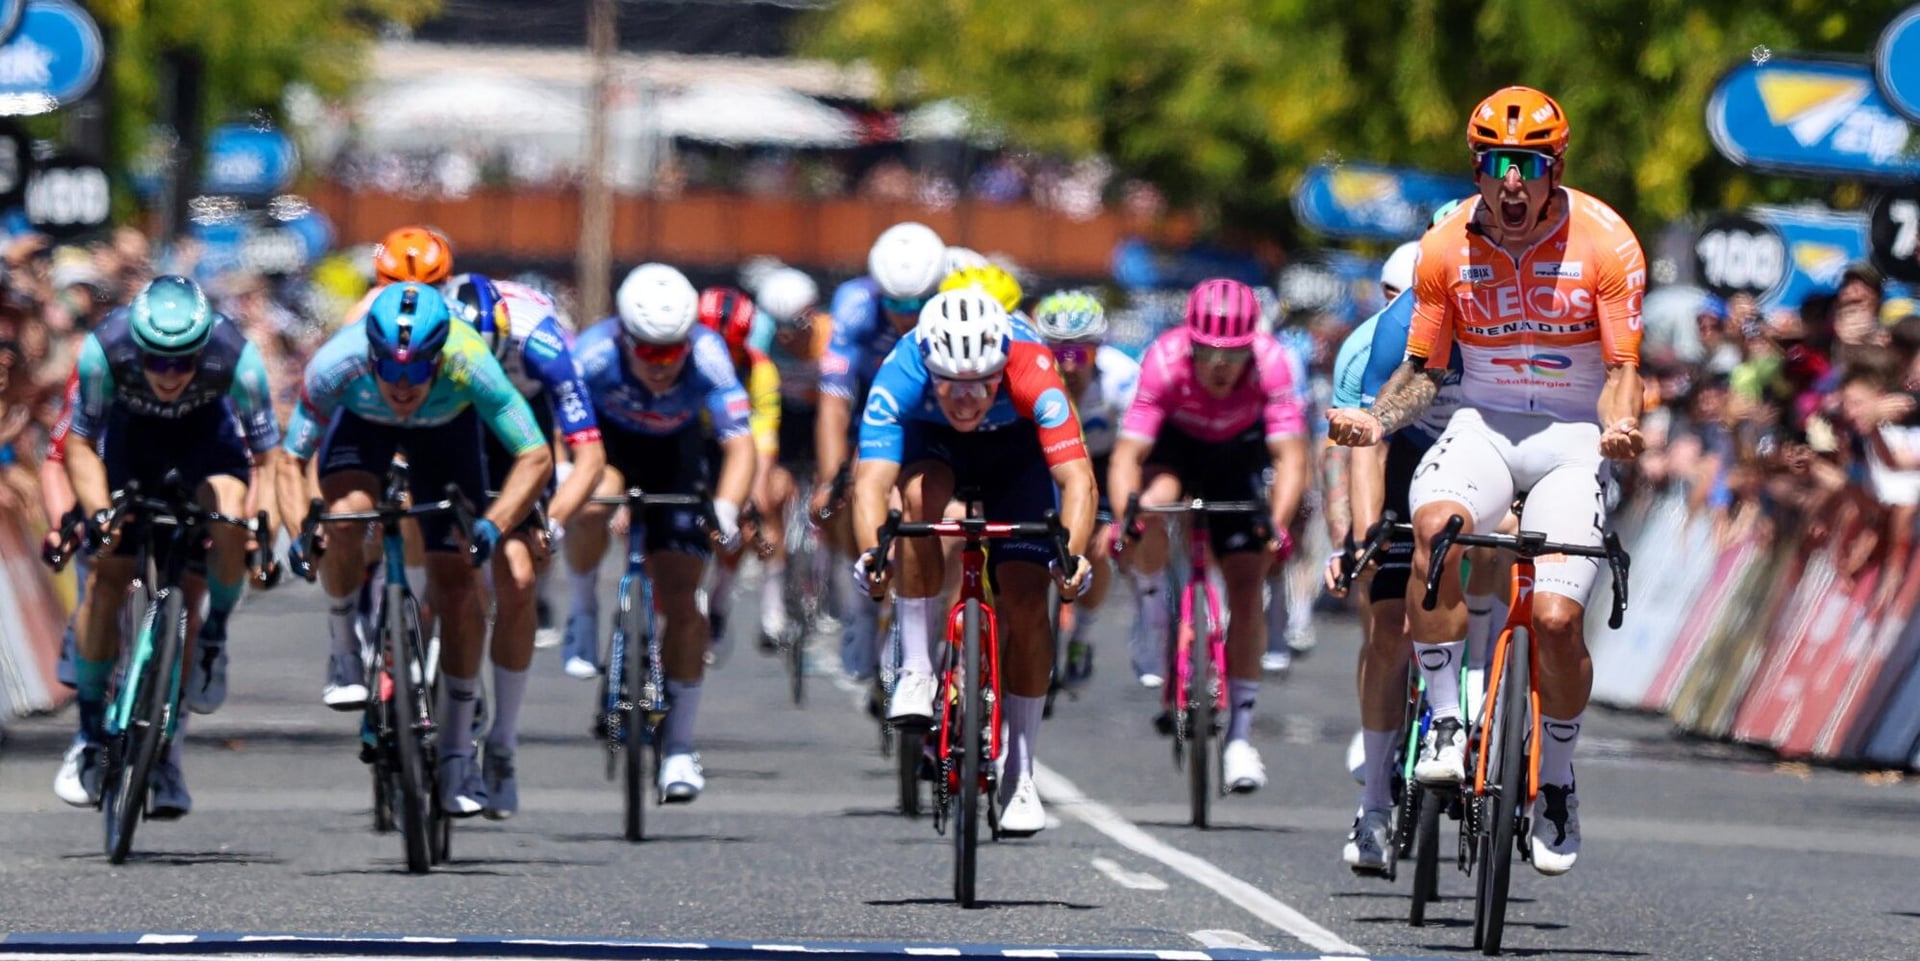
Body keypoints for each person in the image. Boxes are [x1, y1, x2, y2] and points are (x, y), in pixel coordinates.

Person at [1327, 85, 1647, 876]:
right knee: (1435, 528)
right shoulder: (1445, 247)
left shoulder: (1608, 242)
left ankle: (1558, 779)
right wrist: (1377, 422)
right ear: (1476, 167)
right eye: (1497, 163)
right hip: (1484, 426)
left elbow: (1622, 371)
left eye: (1528, 166)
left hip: (1573, 436)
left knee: (1557, 619)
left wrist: (1619, 426)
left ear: (1555, 169)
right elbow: (1423, 372)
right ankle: (1444, 720)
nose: (1511, 182)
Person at [279, 282, 552, 817]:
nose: (403, 385)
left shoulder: (469, 360)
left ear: (439, 358)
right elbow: (290, 461)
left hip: (446, 436)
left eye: (418, 370)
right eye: (391, 369)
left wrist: (494, 525)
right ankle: (344, 648)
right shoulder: (338, 363)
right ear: (372, 356)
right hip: (363, 428)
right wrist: (299, 530)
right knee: (345, 518)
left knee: (458, 586)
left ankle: (457, 754)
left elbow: (535, 455)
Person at [852, 289, 1097, 836]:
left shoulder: (1033, 366)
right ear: (929, 367)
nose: (966, 400)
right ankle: (917, 669)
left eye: (982, 385)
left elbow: (1077, 480)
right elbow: (870, 481)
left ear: (1001, 367)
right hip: (934, 447)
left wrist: (1073, 557)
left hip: (1017, 455)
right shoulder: (903, 366)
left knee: (1028, 600)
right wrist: (873, 554)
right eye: (950, 385)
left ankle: (1020, 772)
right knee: (917, 500)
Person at [54, 276, 283, 815]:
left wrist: (260, 530)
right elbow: (79, 446)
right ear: (138, 347)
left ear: (204, 349)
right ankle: (88, 734)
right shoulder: (105, 350)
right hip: (131, 448)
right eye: (157, 361)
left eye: (184, 362)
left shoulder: (238, 359)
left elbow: (269, 460)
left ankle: (214, 638)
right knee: (107, 575)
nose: (171, 374)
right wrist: (100, 514)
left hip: (207, 445)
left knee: (230, 517)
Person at [1107, 278, 1311, 795]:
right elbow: (1128, 455)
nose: (1221, 365)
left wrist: (1276, 526)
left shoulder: (1272, 363)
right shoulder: (1163, 359)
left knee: (1247, 584)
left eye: (1234, 354)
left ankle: (1240, 735)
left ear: (1251, 347)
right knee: (1152, 505)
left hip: (1238, 455)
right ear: (1189, 343)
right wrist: (1128, 519)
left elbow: (1291, 457)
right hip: (1175, 449)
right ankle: (1153, 611)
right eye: (1208, 353)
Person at [565, 263, 754, 803]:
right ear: (624, 338)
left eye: (672, 352)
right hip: (607, 449)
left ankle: (679, 748)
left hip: (676, 456)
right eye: (648, 351)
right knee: (591, 501)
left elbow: (740, 445)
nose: (660, 364)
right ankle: (582, 610)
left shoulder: (709, 354)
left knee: (684, 601)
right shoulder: (593, 354)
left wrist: (725, 508)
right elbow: (560, 432)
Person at [445, 272, 606, 819]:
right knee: (446, 568)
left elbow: (590, 458)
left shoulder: (543, 343)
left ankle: (502, 744)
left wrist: (552, 523)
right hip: (448, 415)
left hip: (516, 425)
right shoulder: (438, 336)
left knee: (516, 580)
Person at [815, 222, 947, 685]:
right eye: (895, 304)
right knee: (849, 489)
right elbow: (833, 403)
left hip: (936, 419)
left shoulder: (953, 301)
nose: (905, 315)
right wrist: (832, 477)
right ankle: (864, 606)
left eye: (916, 304)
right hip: (876, 415)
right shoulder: (855, 307)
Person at [1029, 290, 1140, 687]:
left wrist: (1121, 518)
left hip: (1104, 464)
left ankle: (1082, 634)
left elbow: (1130, 455)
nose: (1069, 365)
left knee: (1098, 547)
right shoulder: (1027, 378)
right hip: (1047, 463)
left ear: (1098, 351)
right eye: (1058, 354)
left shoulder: (1122, 379)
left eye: (1080, 354)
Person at [694, 285, 786, 653]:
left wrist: (754, 490)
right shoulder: (683, 362)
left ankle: (738, 599)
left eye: (730, 347)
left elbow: (762, 442)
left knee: (763, 503)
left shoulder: (761, 370)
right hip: (695, 442)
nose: (720, 355)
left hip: (739, 444)